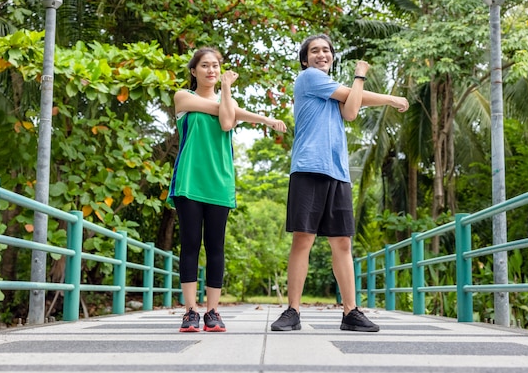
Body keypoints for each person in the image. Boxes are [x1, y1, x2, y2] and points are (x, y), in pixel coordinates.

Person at [270, 34, 409, 332]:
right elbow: (353, 100)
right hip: (309, 167)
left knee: (343, 243)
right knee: (303, 239)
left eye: (327, 51)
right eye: (314, 51)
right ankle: (292, 310)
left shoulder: (335, 92)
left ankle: (351, 312)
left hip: (338, 172)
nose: (322, 54)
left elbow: (351, 111)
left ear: (333, 57)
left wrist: (358, 82)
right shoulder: (308, 78)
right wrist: (379, 90)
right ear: (305, 59)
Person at [168, 47, 287, 332]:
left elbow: (227, 120)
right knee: (190, 245)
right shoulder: (184, 97)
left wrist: (265, 119)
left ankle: (212, 312)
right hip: (189, 181)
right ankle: (190, 311)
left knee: (216, 247)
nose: (211, 70)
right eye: (205, 65)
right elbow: (226, 117)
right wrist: (250, 109)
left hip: (220, 183)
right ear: (194, 70)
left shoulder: (227, 100)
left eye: (216, 66)